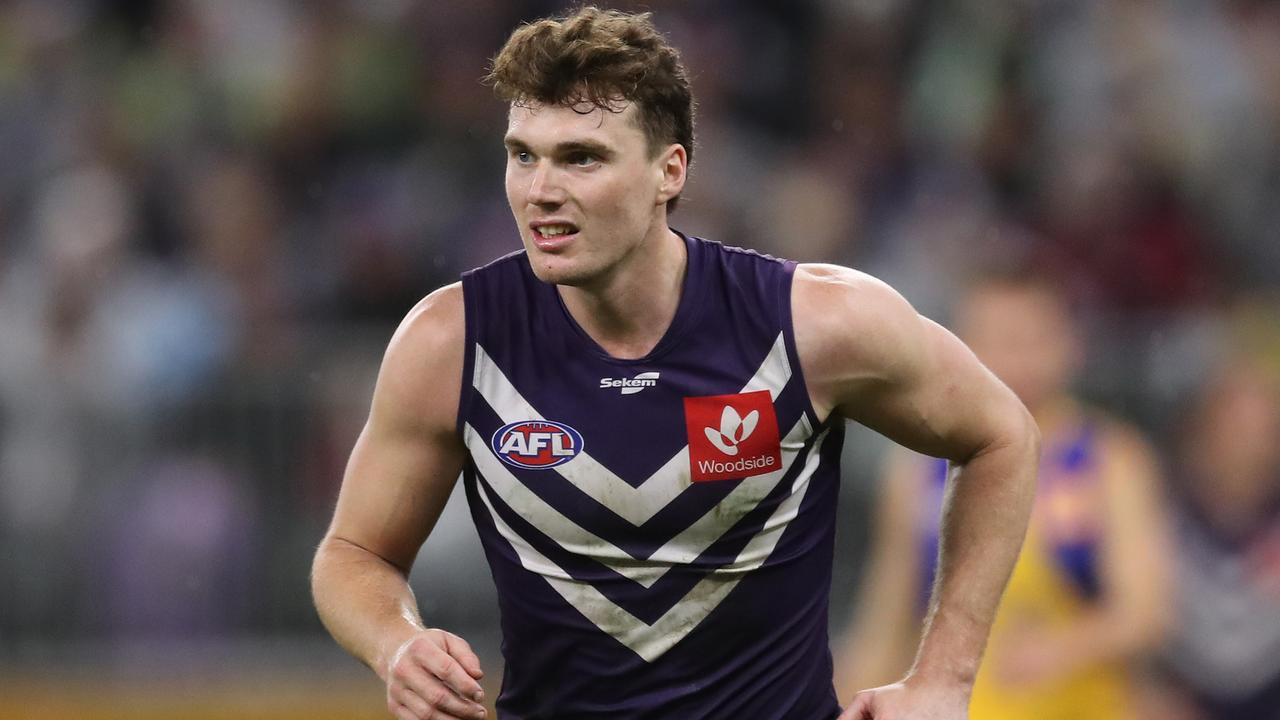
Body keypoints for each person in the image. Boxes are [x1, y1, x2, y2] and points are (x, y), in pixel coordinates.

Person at [311, 7, 1039, 719]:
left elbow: (1001, 434)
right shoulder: (450, 342)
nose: (540, 191)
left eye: (581, 157)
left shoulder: (815, 323)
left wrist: (944, 678)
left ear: (670, 171)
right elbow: (351, 554)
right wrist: (397, 645)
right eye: (522, 154)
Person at [835, 272, 1172, 720]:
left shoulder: (1111, 461)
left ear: (1070, 345)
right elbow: (886, 624)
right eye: (999, 340)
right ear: (958, 346)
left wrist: (1061, 648)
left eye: (1033, 339)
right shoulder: (918, 474)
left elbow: (1146, 613)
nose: (1018, 359)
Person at [1143, 354, 1280, 720]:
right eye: (1235, 425)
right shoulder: (1160, 504)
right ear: (1204, 427)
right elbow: (1136, 613)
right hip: (1178, 696)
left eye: (1262, 428)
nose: (1247, 443)